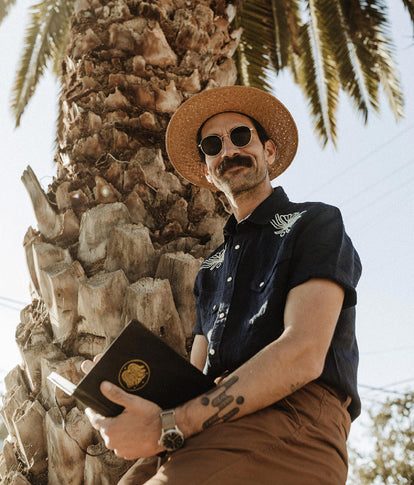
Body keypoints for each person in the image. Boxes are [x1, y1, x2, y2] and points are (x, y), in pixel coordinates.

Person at [83, 86, 362, 484]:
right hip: (208, 424)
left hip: (294, 417)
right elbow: (193, 378)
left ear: (270, 152)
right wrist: (116, 392)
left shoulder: (314, 223)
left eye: (241, 136)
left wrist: (165, 425)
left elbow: (303, 352)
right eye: (213, 145)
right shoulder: (210, 268)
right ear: (208, 171)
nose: (228, 150)